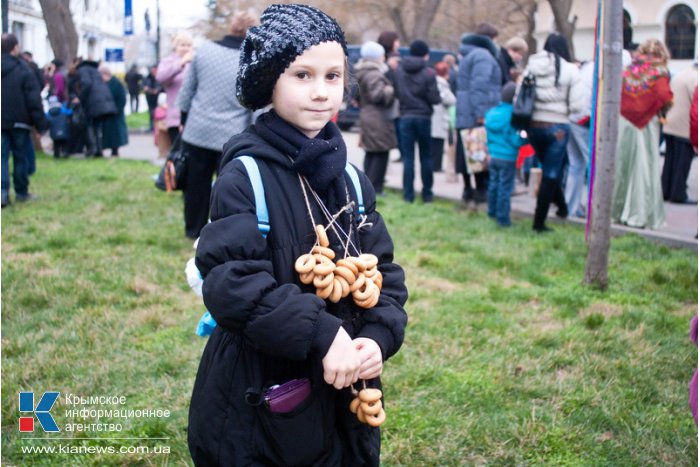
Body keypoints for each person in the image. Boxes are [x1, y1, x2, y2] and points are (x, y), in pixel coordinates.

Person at [187, 5, 408, 465]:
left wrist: (377, 337)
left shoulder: (350, 177)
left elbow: (384, 271)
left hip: (345, 388)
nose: (320, 92)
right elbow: (232, 283)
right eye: (302, 75)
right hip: (263, 391)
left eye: (333, 76)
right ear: (270, 82)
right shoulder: (245, 175)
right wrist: (323, 334)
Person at [177, 10, 258, 239]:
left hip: (198, 131)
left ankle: (193, 230)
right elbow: (255, 105)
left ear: (232, 26)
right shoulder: (252, 61)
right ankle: (222, 232)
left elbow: (186, 92)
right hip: (231, 137)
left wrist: (184, 121)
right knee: (228, 189)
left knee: (195, 186)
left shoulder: (204, 51)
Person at [523, 33, 586, 232]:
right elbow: (577, 105)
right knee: (551, 172)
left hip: (533, 126)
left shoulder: (532, 65)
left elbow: (521, 94)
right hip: (557, 127)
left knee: (549, 168)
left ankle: (562, 207)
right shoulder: (570, 70)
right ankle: (539, 223)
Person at [612, 39, 673, 229]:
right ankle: (640, 214)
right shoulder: (659, 72)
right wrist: (663, 108)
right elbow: (664, 96)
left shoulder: (629, 70)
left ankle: (617, 211)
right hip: (646, 125)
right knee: (644, 168)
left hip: (624, 122)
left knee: (623, 166)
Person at [455, 25, 502, 205]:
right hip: (475, 114)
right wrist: (481, 113)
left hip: (464, 112)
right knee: (477, 153)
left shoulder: (469, 54)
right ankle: (480, 192)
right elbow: (480, 86)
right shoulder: (483, 56)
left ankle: (468, 190)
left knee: (466, 153)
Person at [1, 33, 48, 207]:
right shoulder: (23, 69)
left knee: (2, 157)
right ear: (15, 47)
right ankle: (21, 192)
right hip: (20, 121)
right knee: (20, 157)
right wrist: (40, 124)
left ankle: (2, 193)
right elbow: (33, 99)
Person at [394, 39, 441, 202]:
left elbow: (397, 92)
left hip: (405, 116)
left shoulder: (399, 71)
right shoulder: (429, 73)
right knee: (426, 157)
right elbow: (435, 98)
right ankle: (427, 194)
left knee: (408, 158)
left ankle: (408, 195)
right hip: (423, 118)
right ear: (425, 55)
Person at [354, 40, 396, 195]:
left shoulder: (363, 72)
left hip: (368, 115)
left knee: (371, 152)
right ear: (377, 57)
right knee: (380, 153)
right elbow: (377, 95)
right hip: (377, 118)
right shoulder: (374, 73)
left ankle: (369, 187)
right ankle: (375, 188)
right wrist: (390, 89)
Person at [485, 82, 527, 226]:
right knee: (505, 187)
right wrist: (525, 140)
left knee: (493, 184)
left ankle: (492, 212)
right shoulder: (512, 116)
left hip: (493, 155)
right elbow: (515, 141)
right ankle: (503, 219)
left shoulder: (491, 113)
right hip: (508, 156)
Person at [661, 63, 698, 204]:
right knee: (682, 164)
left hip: (671, 124)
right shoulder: (696, 79)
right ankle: (678, 194)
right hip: (685, 126)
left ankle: (665, 190)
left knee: (670, 161)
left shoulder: (683, 73)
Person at [565, 60, 594, 218]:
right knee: (593, 163)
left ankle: (570, 206)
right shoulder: (615, 60)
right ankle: (595, 208)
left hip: (573, 117)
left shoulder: (588, 67)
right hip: (585, 119)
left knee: (576, 164)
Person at [156, 31, 193, 144]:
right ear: (175, 46)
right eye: (182, 45)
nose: (186, 48)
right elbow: (161, 77)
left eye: (188, 45)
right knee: (178, 153)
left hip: (194, 115)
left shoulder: (196, 61)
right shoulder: (168, 62)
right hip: (176, 115)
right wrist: (181, 63)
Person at [75, 57, 118, 157]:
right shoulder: (95, 71)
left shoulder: (83, 70)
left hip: (94, 102)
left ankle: (93, 150)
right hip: (103, 102)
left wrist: (80, 98)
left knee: (90, 125)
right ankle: (98, 150)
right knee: (97, 127)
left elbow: (87, 84)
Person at [430, 61, 456, 172]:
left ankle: (434, 164)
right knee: (438, 143)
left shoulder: (433, 81)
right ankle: (437, 165)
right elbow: (450, 99)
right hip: (439, 117)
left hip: (434, 116)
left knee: (434, 142)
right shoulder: (442, 84)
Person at [98, 65, 128, 157]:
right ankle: (102, 148)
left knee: (115, 134)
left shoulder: (116, 84)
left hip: (115, 113)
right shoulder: (102, 84)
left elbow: (122, 98)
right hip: (105, 112)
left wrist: (117, 109)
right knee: (105, 133)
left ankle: (115, 150)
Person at [142, 65, 161, 131]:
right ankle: (151, 126)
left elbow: (162, 86)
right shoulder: (147, 77)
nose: (154, 72)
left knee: (157, 112)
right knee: (151, 112)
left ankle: (156, 126)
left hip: (157, 97)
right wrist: (145, 88)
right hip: (149, 96)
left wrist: (158, 90)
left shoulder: (159, 77)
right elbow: (142, 85)